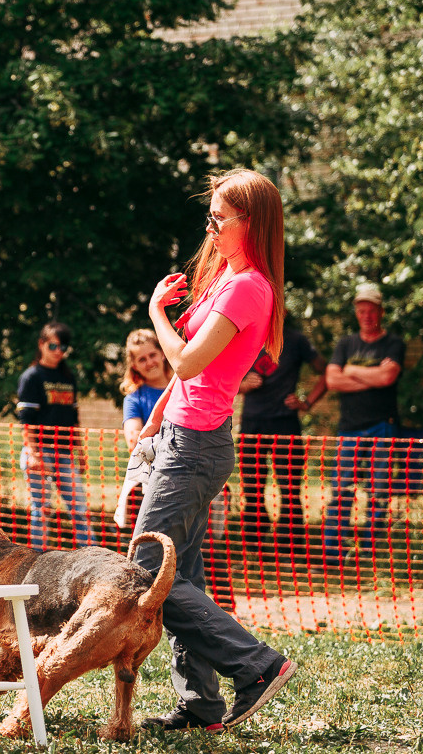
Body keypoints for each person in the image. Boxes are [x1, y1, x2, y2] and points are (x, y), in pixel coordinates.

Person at [132, 169, 297, 733]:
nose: (211, 226)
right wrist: (157, 416)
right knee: (185, 575)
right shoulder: (229, 277)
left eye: (220, 217)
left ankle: (257, 665)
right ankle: (200, 702)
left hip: (198, 447)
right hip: (184, 434)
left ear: (251, 222)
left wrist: (157, 312)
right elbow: (190, 380)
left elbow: (186, 362)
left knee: (147, 566)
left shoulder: (250, 287)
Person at [119, 328, 234, 611]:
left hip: (199, 467)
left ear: (163, 353)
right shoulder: (136, 398)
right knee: (156, 550)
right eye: (141, 359)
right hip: (158, 478)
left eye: (153, 355)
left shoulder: (188, 381)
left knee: (204, 543)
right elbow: (134, 437)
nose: (149, 362)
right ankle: (143, 608)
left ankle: (222, 608)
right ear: (134, 366)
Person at [321, 283, 406, 564]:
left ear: (381, 312)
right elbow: (332, 380)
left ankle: (369, 551)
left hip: (383, 426)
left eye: (371, 310)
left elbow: (387, 379)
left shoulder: (393, 343)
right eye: (361, 311)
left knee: (378, 490)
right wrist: (371, 375)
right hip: (349, 428)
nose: (367, 316)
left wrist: (352, 371)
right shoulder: (346, 343)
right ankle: (334, 551)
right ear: (356, 313)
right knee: (342, 489)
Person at [237, 313, 328, 555]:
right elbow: (220, 378)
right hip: (252, 425)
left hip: (285, 425)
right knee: (252, 489)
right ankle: (254, 551)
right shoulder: (244, 338)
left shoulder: (296, 340)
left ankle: (293, 551)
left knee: (289, 490)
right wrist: (242, 384)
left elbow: (326, 372)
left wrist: (306, 402)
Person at [16, 322, 97, 551]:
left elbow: (74, 418)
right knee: (41, 509)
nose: (58, 351)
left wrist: (79, 452)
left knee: (79, 509)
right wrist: (32, 452)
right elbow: (26, 419)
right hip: (40, 450)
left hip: (65, 451)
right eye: (53, 346)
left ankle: (92, 555)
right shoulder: (31, 377)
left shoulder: (67, 376)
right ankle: (39, 557)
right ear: (41, 345)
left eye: (63, 347)